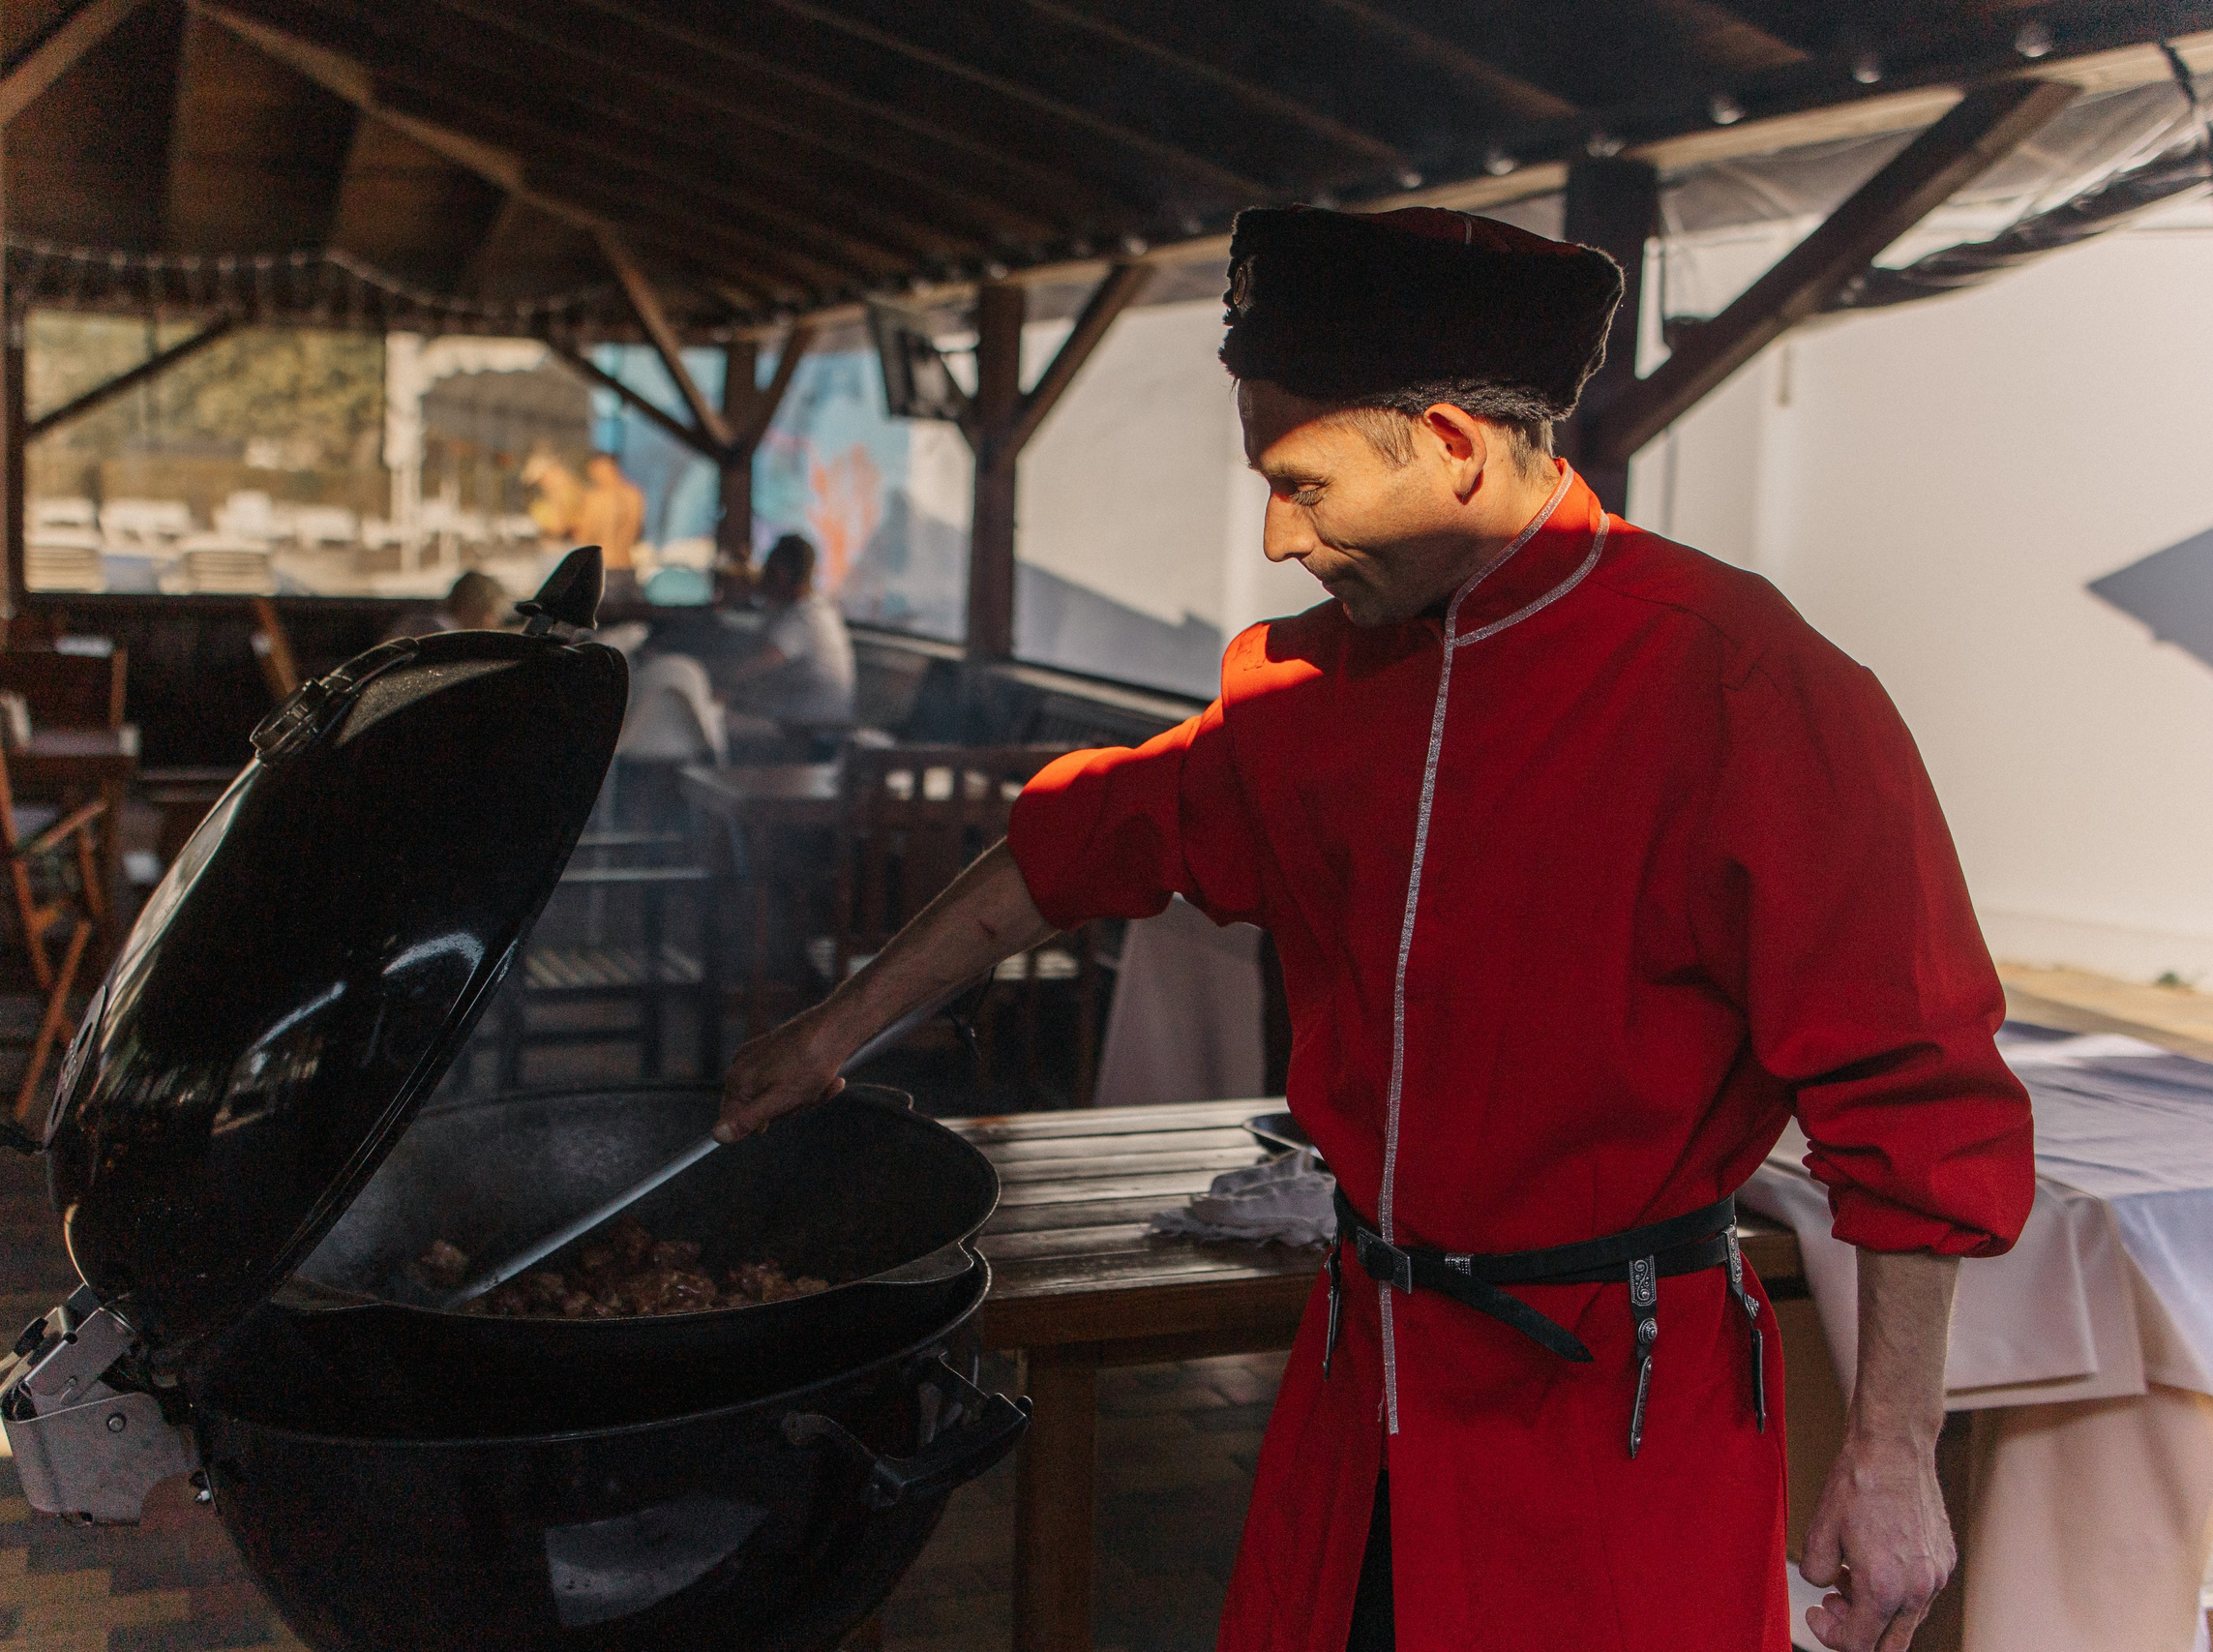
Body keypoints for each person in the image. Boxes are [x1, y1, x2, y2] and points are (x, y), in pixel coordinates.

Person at [717, 206, 2035, 1652]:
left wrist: (1892, 1450)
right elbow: (1081, 842)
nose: (1278, 536)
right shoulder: (1313, 686)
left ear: (1453, 447)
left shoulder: (1744, 683)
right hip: (1368, 1370)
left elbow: (1916, 1098)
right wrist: (833, 1032)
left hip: (1614, 1398)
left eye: (1302, 483)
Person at [721, 533, 854, 729]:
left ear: (780, 574)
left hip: (809, 730)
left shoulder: (803, 616)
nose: (762, 575)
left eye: (768, 569)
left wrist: (718, 680)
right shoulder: (802, 607)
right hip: (799, 721)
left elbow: (756, 665)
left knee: (713, 725)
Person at [570, 451, 646, 573]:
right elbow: (635, 532)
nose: (593, 476)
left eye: (593, 471)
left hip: (602, 567)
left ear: (602, 468)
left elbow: (584, 537)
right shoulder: (635, 495)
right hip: (627, 567)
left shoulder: (595, 498)